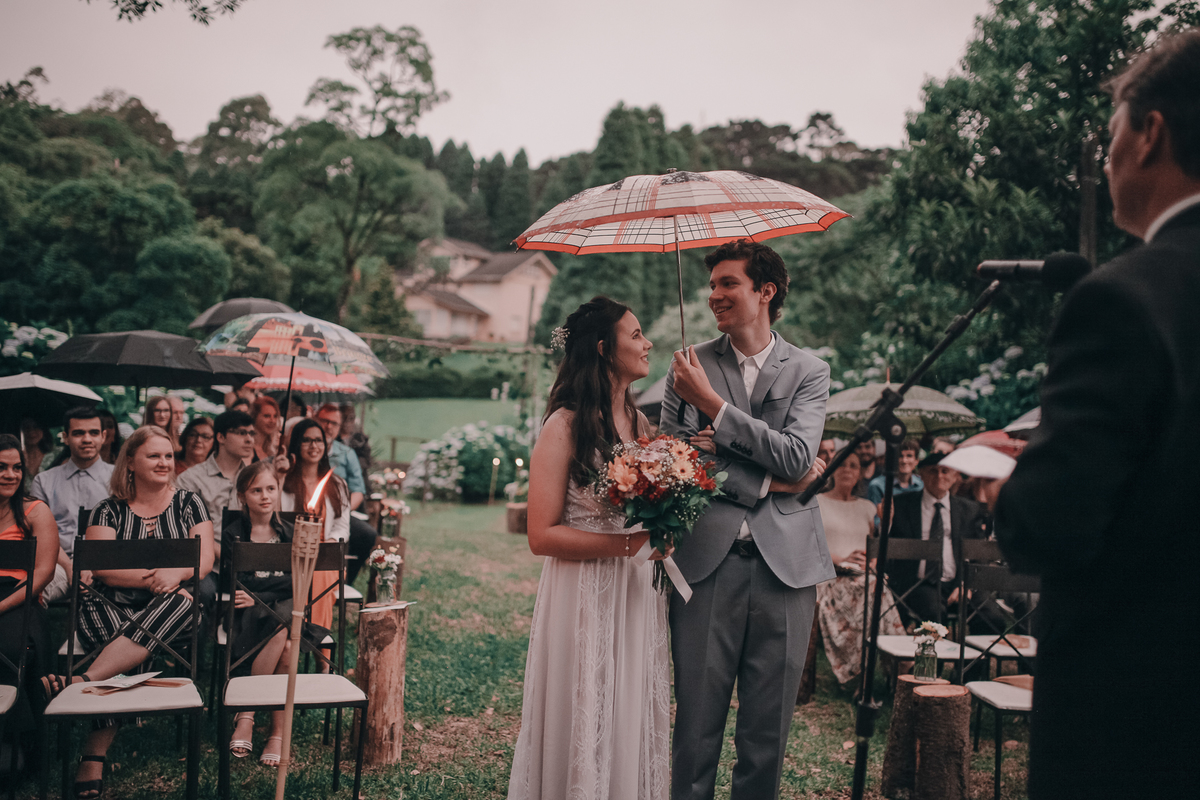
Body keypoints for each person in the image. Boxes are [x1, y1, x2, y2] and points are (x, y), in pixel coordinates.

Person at [995, 30, 1200, 799]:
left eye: (1111, 133)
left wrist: (1009, 487)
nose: (1106, 158)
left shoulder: (1124, 298)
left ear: (1150, 134)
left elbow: (1048, 525)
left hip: (1139, 715)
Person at [661, 239, 831, 800]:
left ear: (765, 291)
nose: (714, 296)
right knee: (695, 729)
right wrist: (765, 478)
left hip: (787, 570)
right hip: (705, 566)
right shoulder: (687, 366)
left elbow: (798, 458)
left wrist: (715, 412)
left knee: (767, 734)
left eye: (727, 284)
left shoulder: (810, 370)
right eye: (710, 286)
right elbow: (676, 466)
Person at [507, 297, 668, 800]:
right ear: (604, 349)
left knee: (626, 703)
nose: (647, 344)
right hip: (582, 591)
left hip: (636, 591)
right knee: (586, 704)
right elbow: (541, 535)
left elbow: (648, 512)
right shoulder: (564, 426)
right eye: (636, 335)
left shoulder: (644, 430)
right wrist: (626, 545)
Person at [39, 426, 214, 800]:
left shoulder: (189, 503)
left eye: (168, 455)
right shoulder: (108, 509)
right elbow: (103, 569)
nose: (165, 462)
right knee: (130, 637)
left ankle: (82, 684)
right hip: (108, 604)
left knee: (181, 601)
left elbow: (205, 559)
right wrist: (151, 580)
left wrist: (177, 574)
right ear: (130, 462)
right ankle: (95, 748)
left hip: (170, 609)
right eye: (154, 455)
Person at [224, 461, 327, 767]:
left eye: (271, 488)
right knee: (286, 641)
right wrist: (269, 588)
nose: (265, 496)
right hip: (248, 616)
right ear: (243, 496)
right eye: (256, 490)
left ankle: (248, 714)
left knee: (284, 628)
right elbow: (238, 580)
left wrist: (259, 591)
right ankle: (277, 734)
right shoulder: (234, 534)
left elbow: (300, 580)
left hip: (284, 608)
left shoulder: (291, 532)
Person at [814, 448, 904, 688]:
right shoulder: (817, 501)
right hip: (830, 576)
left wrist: (886, 525)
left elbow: (875, 550)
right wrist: (841, 559)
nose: (847, 470)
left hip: (864, 578)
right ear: (832, 470)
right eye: (842, 464)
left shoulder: (867, 506)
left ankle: (861, 675)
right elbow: (810, 545)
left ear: (860, 473)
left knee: (873, 586)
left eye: (853, 466)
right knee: (876, 589)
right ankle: (897, 664)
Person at [0, 436, 58, 753]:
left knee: (11, 647)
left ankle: (16, 746)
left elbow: (43, 573)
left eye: (16, 468)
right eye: (1, 467)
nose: (10, 474)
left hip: (19, 596)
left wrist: (2, 606)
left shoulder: (35, 512)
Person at [884, 452, 987, 626]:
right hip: (919, 583)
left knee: (991, 617)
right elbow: (889, 545)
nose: (939, 476)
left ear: (955, 476)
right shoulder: (901, 505)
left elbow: (979, 554)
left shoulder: (970, 510)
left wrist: (966, 584)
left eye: (945, 471)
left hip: (960, 583)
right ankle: (935, 652)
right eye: (933, 471)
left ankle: (979, 654)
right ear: (921, 475)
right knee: (934, 615)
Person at [29, 408, 114, 604]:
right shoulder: (44, 480)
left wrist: (93, 566)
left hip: (108, 564)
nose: (86, 439)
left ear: (103, 436)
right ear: (66, 437)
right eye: (78, 433)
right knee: (32, 592)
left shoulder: (120, 479)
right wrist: (69, 568)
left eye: (93, 433)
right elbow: (40, 535)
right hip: (57, 563)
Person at [177, 410, 257, 610]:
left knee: (276, 590)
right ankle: (199, 641)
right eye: (241, 433)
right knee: (201, 592)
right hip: (206, 565)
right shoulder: (191, 479)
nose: (249, 439)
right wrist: (225, 553)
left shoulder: (254, 478)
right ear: (220, 437)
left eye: (251, 433)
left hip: (246, 565)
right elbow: (184, 529)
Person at [277, 419, 349, 635]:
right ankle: (317, 647)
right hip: (291, 557)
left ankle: (311, 642)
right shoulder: (284, 482)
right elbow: (275, 517)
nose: (313, 446)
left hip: (326, 556)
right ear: (296, 445)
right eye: (306, 440)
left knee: (321, 572)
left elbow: (342, 527)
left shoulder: (337, 484)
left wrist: (329, 544)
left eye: (318, 440)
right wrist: (279, 477)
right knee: (313, 573)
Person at [314, 404, 375, 583]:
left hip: (339, 511)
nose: (328, 426)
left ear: (340, 427)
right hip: (308, 510)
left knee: (367, 534)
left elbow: (358, 491)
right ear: (315, 420)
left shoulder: (347, 454)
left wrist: (342, 512)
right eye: (324, 421)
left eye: (334, 423)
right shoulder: (305, 449)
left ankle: (344, 582)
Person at [866, 438, 924, 505]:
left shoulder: (921, 484)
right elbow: (876, 513)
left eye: (909, 456)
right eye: (900, 456)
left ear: (916, 461)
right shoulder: (877, 485)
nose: (904, 461)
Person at [250, 396, 281, 463]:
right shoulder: (247, 448)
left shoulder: (273, 450)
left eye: (275, 416)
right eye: (267, 416)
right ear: (255, 417)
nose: (272, 421)